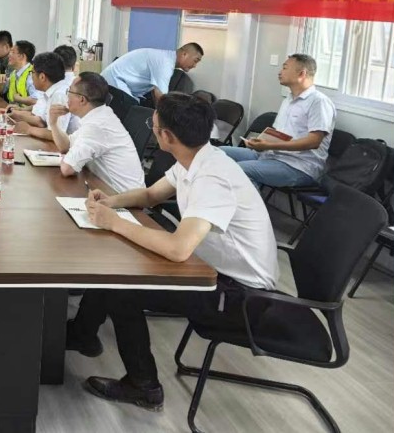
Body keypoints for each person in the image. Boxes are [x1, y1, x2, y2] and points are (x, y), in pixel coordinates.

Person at [67, 92, 279, 412]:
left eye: (153, 126)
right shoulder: (195, 157)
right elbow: (151, 195)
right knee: (116, 264)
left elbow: (179, 249)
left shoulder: (213, 177)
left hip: (241, 297)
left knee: (123, 288)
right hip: (212, 271)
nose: (152, 131)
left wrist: (114, 223)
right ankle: (82, 334)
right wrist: (112, 202)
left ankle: (144, 386)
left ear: (166, 136)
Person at [221, 53, 336, 189]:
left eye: (285, 68)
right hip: (271, 155)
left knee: (241, 169)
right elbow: (277, 134)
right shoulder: (289, 99)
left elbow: (313, 142)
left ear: (302, 74)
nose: (280, 72)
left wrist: (269, 145)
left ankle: (251, 203)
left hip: (298, 166)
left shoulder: (319, 102)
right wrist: (261, 142)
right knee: (218, 152)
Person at [49, 73, 145, 194]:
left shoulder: (97, 125)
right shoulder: (99, 115)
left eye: (69, 92)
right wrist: (53, 124)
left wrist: (67, 159)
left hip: (124, 199)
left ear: (82, 99)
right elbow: (66, 146)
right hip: (108, 191)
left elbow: (67, 169)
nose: (67, 97)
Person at [103, 43, 204, 105]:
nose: (195, 65)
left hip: (117, 81)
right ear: (184, 54)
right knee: (130, 109)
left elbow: (155, 92)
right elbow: (160, 95)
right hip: (114, 80)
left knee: (137, 107)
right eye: (195, 60)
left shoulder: (165, 59)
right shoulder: (165, 63)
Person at [6, 52, 76, 139]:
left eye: (32, 72)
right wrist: (16, 114)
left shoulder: (59, 95)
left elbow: (57, 135)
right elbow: (42, 120)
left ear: (42, 77)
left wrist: (28, 129)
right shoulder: (51, 90)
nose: (31, 76)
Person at [0, 40, 38, 105]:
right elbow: (0, 91)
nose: (9, 55)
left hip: (24, 111)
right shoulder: (14, 73)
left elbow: (36, 100)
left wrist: (18, 99)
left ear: (22, 56)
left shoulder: (32, 74)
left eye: (12, 52)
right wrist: (0, 83)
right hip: (12, 110)